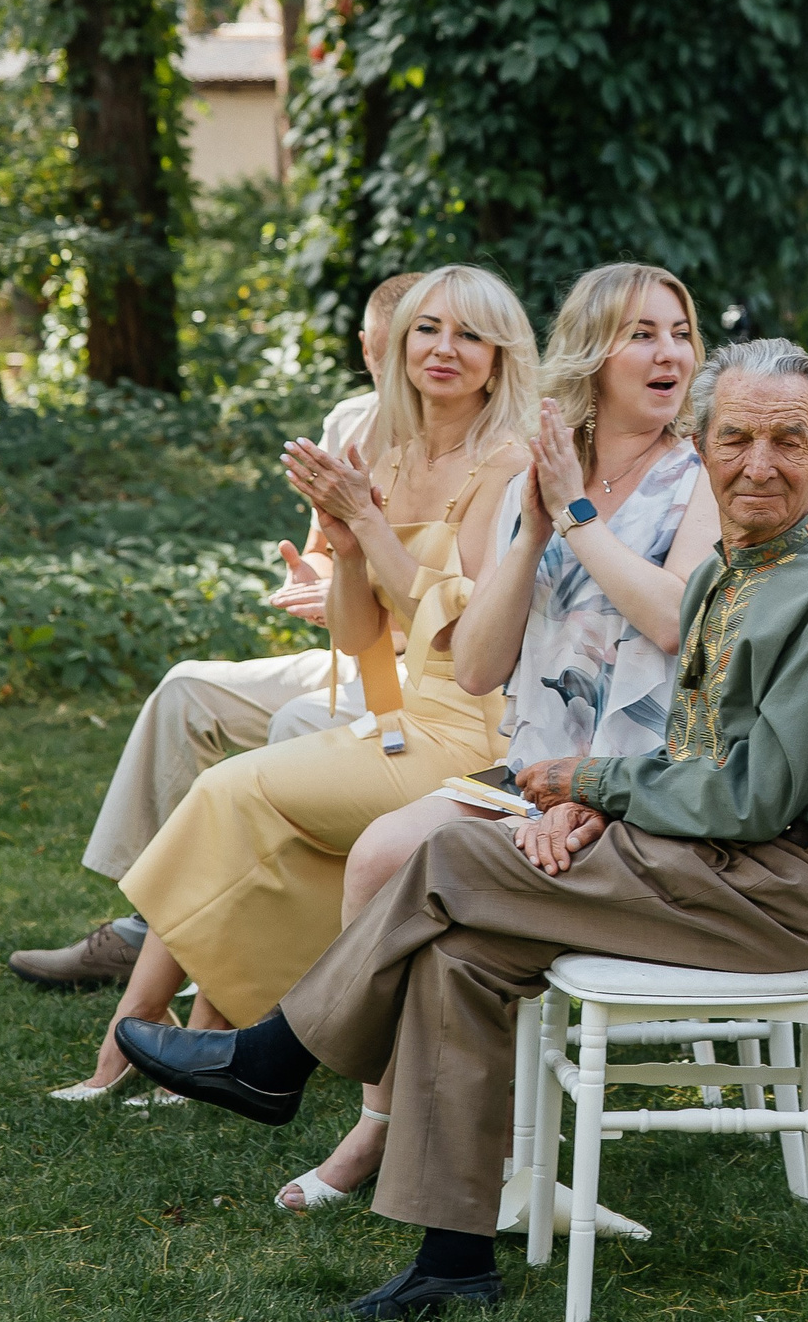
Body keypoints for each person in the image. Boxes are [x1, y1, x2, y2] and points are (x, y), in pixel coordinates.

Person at [114, 337, 808, 1322]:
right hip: (699, 861)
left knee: (448, 853)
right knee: (463, 954)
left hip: (776, 894)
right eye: (736, 438)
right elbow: (695, 746)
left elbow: (756, 796)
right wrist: (591, 808)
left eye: (786, 440)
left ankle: (276, 1055)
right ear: (703, 445)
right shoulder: (728, 571)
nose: (759, 464)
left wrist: (593, 779)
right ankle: (452, 1260)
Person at [274, 260, 720, 1213]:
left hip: (633, 780)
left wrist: (576, 516)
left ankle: (300, 1070)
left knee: (429, 869)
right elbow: (477, 666)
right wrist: (533, 529)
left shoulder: (702, 479)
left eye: (680, 333)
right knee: (378, 856)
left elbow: (673, 622)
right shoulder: (541, 474)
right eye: (643, 334)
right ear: (592, 354)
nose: (671, 353)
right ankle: (379, 1120)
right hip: (528, 765)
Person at [58, 267, 537, 1099]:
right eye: (428, 329)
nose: (445, 349)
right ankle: (187, 1035)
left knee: (228, 792)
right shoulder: (389, 454)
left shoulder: (506, 465)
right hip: (399, 711)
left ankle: (147, 1038)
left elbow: (465, 639)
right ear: (396, 344)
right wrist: (346, 552)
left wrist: (369, 523)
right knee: (235, 803)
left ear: (500, 358)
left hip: (479, 731)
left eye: (470, 335)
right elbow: (357, 634)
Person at [7, 273, 420, 998]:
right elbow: (323, 550)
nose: (401, 377)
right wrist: (319, 580)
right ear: (366, 350)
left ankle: (240, 947)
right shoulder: (350, 422)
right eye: (387, 358)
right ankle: (153, 922)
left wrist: (359, 595)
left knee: (299, 725)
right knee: (185, 690)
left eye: (415, 354)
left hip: (416, 675)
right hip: (355, 654)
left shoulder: (475, 442)